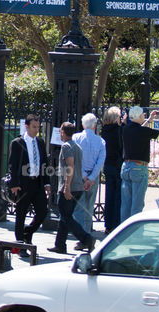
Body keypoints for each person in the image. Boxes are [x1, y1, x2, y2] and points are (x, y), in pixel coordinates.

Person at [50, 122, 96, 254]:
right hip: (78, 186)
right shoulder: (77, 146)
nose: (60, 133)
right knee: (65, 216)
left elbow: (70, 166)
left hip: (70, 186)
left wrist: (66, 187)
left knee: (66, 217)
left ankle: (86, 238)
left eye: (60, 131)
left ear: (63, 132)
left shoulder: (66, 146)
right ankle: (60, 245)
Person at [8, 114, 50, 245]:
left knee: (42, 212)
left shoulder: (40, 142)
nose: (36, 129)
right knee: (21, 214)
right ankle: (20, 243)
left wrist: (47, 182)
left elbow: (45, 163)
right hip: (23, 183)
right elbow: (12, 165)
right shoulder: (17, 143)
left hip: (37, 182)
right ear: (26, 126)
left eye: (38, 127)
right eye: (34, 126)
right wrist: (14, 184)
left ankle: (28, 232)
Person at [120, 105, 159, 222]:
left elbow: (139, 130)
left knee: (126, 204)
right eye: (143, 114)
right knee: (137, 204)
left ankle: (124, 230)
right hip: (139, 167)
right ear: (139, 116)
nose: (144, 116)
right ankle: (134, 232)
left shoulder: (126, 129)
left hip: (126, 166)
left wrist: (150, 120)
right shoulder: (143, 131)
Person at [71, 112, 105, 243]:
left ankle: (81, 237)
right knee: (89, 208)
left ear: (83, 124)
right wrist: (91, 178)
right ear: (95, 125)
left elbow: (74, 159)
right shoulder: (101, 141)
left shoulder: (76, 138)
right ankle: (87, 235)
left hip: (79, 176)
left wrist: (84, 177)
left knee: (79, 208)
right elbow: (100, 162)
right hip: (93, 177)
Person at [100, 106, 124, 234]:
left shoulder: (104, 130)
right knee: (118, 195)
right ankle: (116, 223)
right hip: (117, 164)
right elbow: (121, 147)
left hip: (107, 164)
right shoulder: (119, 130)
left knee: (109, 195)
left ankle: (108, 224)